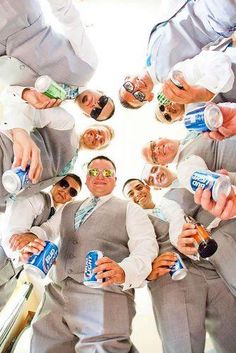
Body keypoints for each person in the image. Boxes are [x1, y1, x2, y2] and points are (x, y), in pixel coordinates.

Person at [16, 155, 157, 353]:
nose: (100, 176)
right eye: (94, 172)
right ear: (87, 177)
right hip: (56, 295)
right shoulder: (67, 207)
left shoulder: (130, 209)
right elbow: (47, 230)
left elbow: (146, 246)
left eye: (107, 173)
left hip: (105, 295)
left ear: (115, 180)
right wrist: (30, 241)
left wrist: (124, 271)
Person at [123, 178, 236, 353]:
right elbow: (128, 254)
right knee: (182, 345)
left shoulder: (172, 203)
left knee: (231, 333)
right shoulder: (130, 221)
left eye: (138, 188)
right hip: (171, 279)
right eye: (131, 194)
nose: (137, 194)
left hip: (210, 269)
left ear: (147, 187)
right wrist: (147, 273)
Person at [0, 0, 115, 121]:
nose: (95, 105)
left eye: (95, 112)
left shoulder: (47, 109)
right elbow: (70, 20)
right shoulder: (89, 64)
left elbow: (6, 98)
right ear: (100, 92)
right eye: (103, 101)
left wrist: (25, 94)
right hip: (19, 15)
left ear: (86, 115)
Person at [119, 0, 236, 109]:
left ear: (127, 78)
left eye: (129, 87)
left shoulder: (147, 49)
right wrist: (206, 92)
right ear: (150, 97)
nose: (137, 88)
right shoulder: (175, 78)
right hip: (219, 15)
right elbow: (219, 62)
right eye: (139, 96)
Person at [0, 104, 78, 212]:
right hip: (4, 151)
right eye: (100, 132)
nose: (97, 137)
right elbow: (23, 108)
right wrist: (19, 132)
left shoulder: (68, 169)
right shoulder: (67, 122)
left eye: (73, 192)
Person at [2, 174, 82, 258]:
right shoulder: (36, 198)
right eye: (64, 184)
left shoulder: (59, 219)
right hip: (6, 252)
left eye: (72, 192)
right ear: (55, 183)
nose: (65, 191)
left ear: (71, 199)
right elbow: (15, 233)